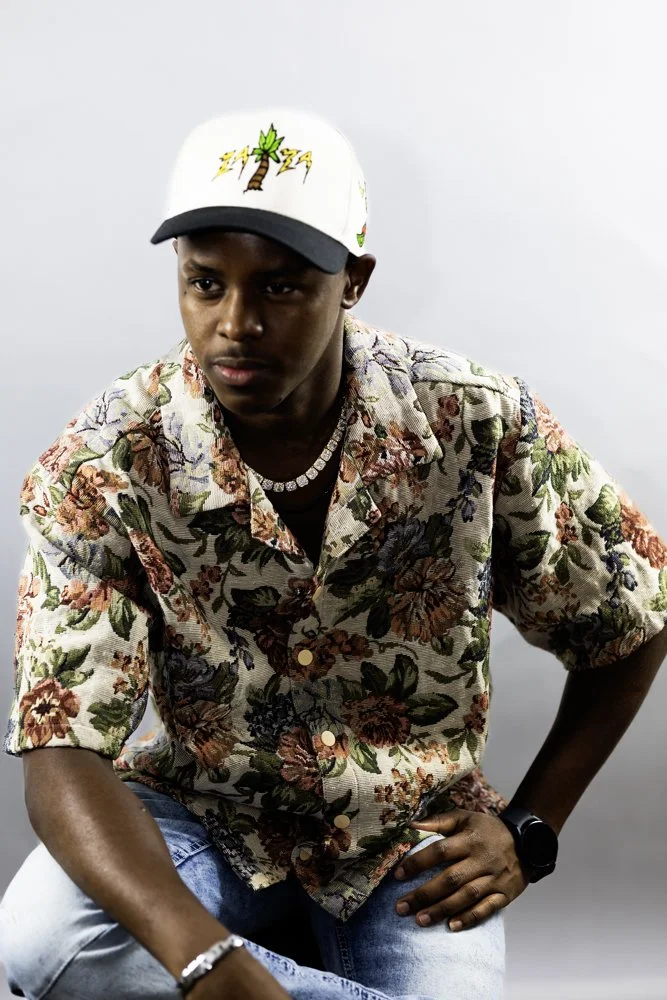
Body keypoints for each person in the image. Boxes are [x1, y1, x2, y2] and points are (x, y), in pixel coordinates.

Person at [1, 107, 666, 1000]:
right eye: (205, 283)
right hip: (203, 817)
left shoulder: (473, 418)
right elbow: (60, 748)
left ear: (351, 280)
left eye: (279, 287)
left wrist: (531, 824)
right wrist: (205, 962)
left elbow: (632, 610)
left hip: (408, 838)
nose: (236, 322)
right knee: (37, 950)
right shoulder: (104, 460)